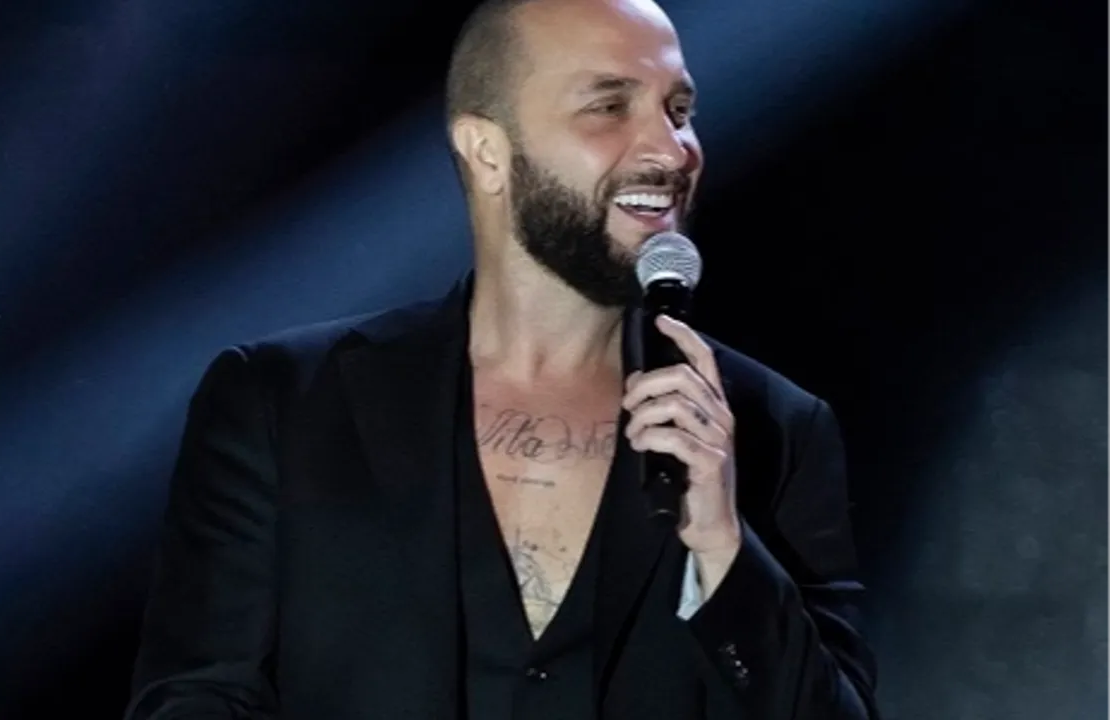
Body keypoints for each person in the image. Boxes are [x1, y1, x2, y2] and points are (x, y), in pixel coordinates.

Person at [123, 0, 880, 717]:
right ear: (488, 151)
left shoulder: (773, 427)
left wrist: (722, 548)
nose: (670, 148)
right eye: (609, 106)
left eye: (678, 111)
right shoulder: (284, 401)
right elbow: (196, 698)